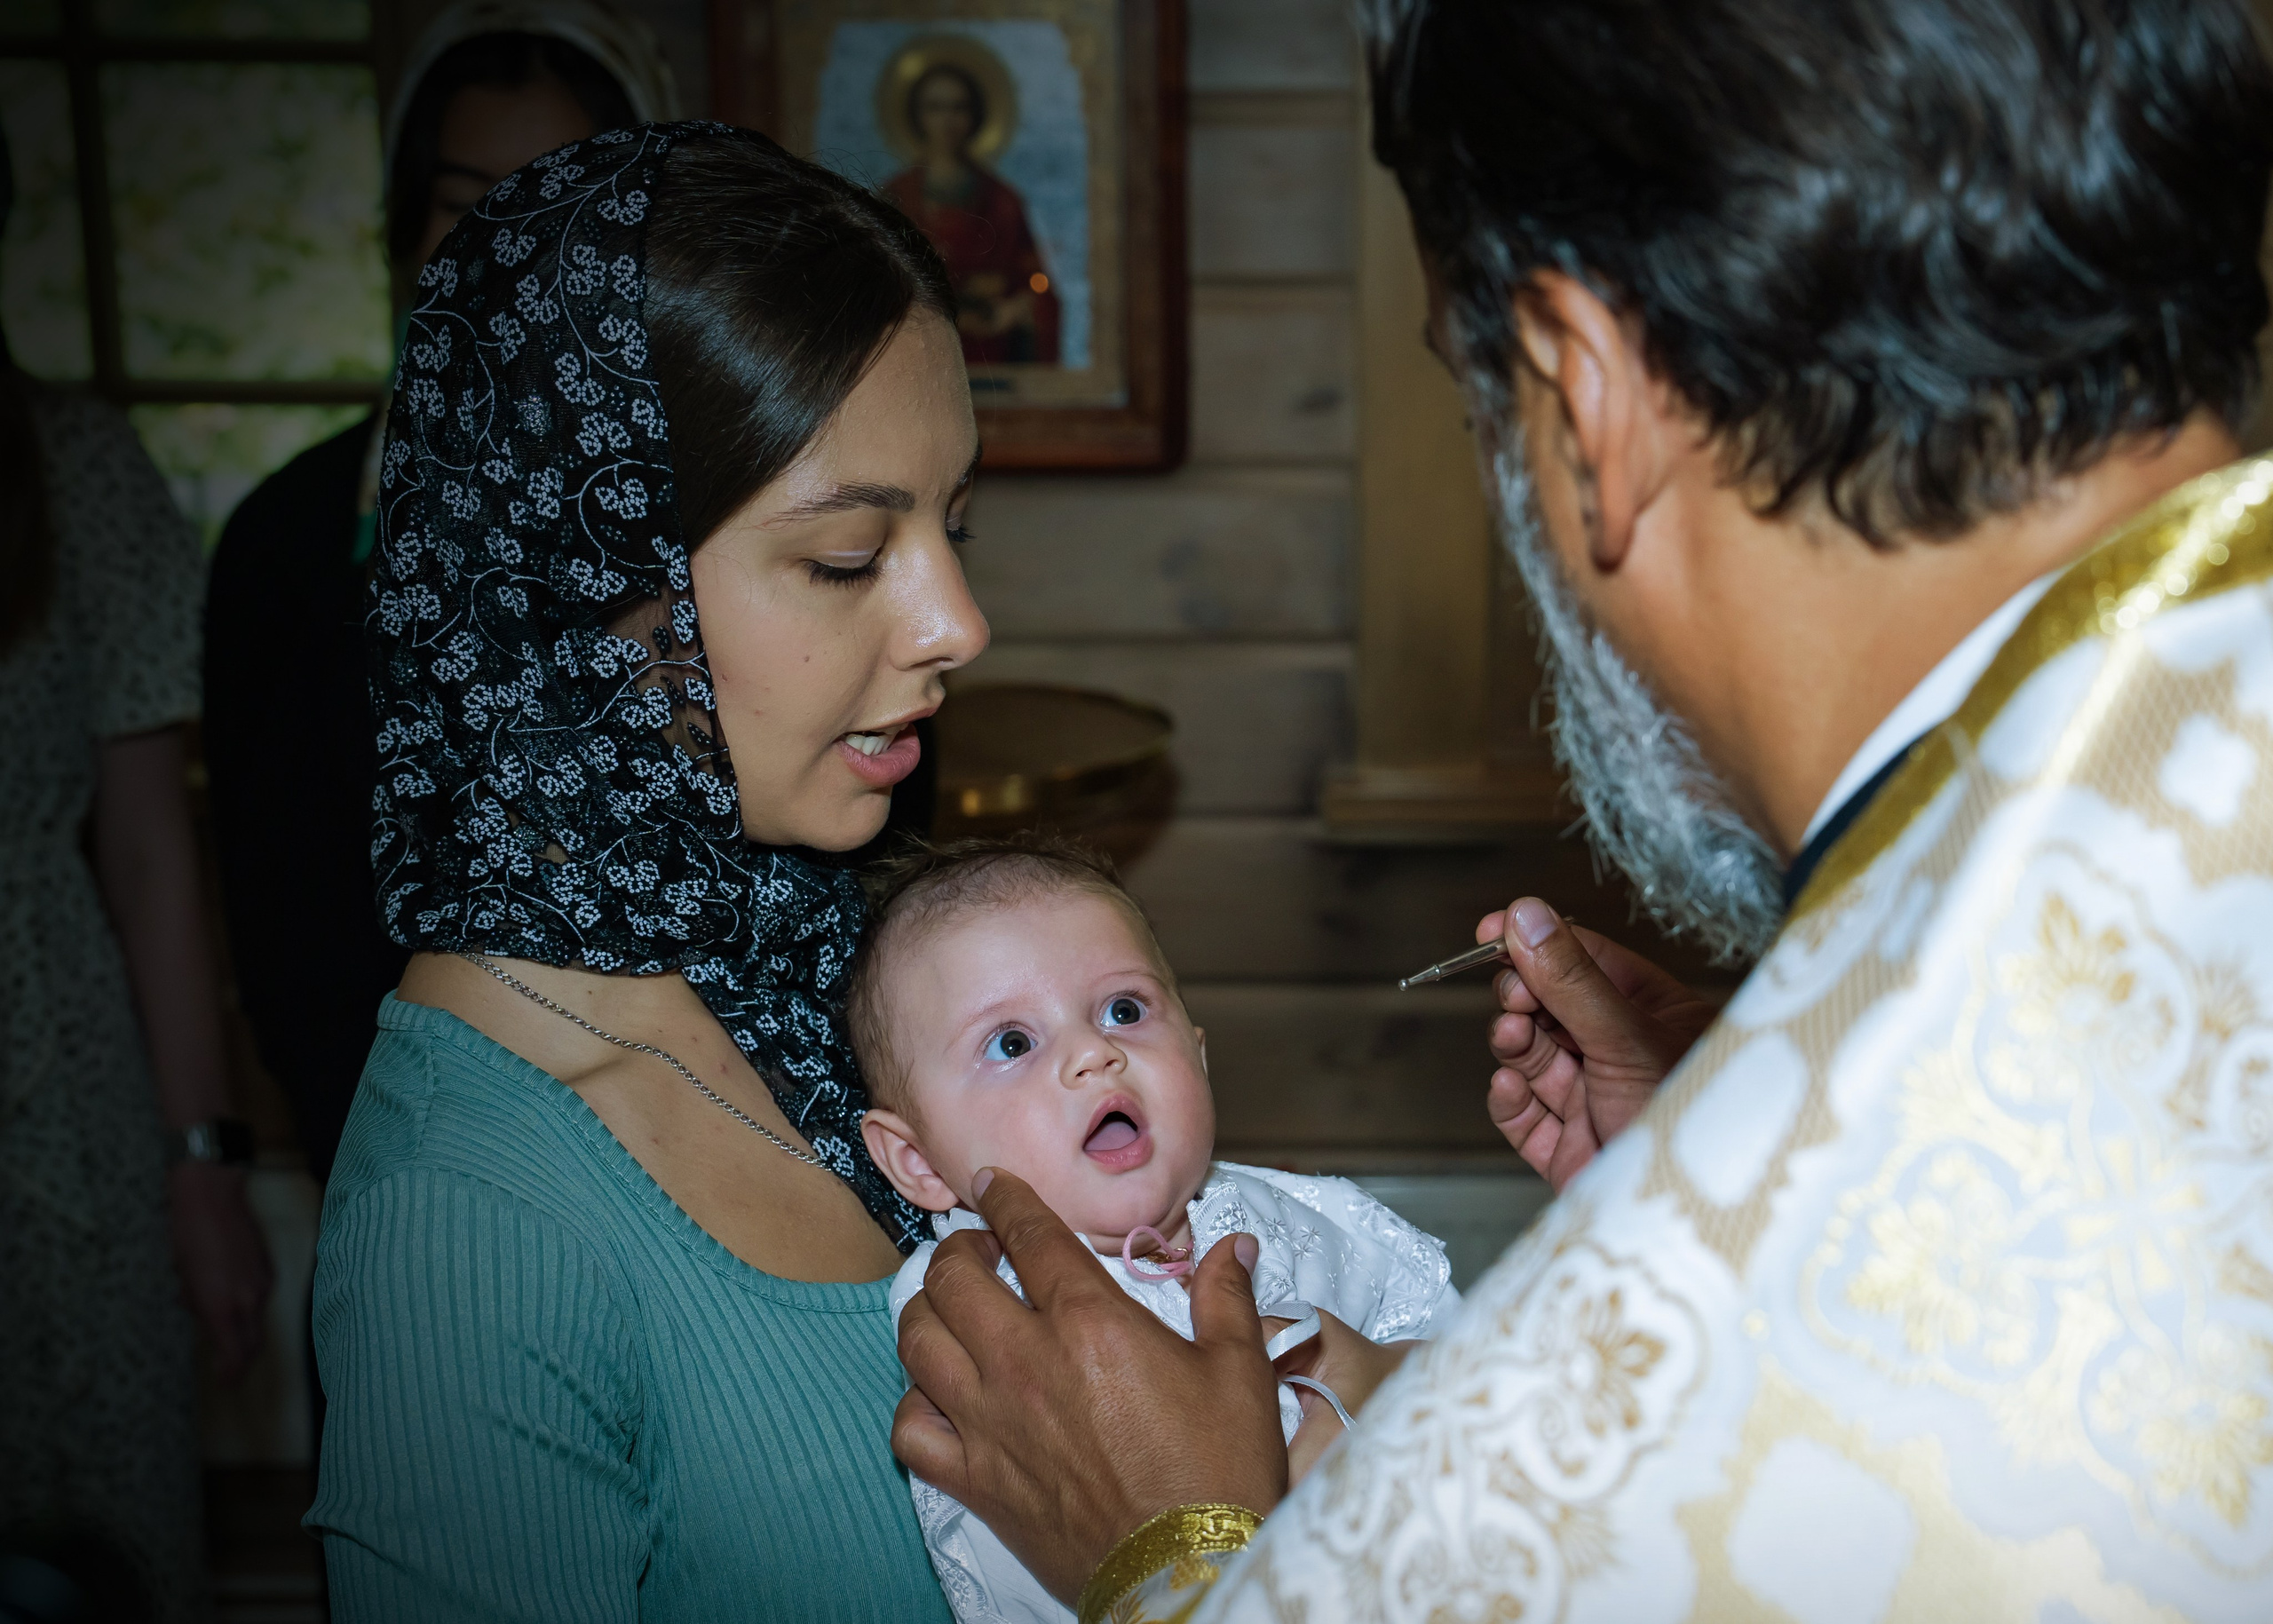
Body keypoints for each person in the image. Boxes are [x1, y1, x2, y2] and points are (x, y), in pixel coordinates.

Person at [886, 1, 2273, 1620]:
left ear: (1581, 392)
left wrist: (1180, 1552)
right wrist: (1742, 1097)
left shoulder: (1865, 1187)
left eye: (1493, 419)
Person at [305, 123, 991, 1619]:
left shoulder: (795, 948)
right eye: (844, 556)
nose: (959, 622)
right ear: (581, 583)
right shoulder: (470, 1222)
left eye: (954, 525)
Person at [202, 3, 668, 1192]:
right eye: (466, 200)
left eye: (560, 193)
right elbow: (266, 887)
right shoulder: (290, 537)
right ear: (407, 231)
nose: (509, 239)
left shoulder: (710, 518)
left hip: (680, 1136)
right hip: (387, 1133)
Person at [850, 836, 1458, 1621]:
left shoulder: (1304, 1216)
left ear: (1198, 1059)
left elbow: (1477, 1363)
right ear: (918, 1160)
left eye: (1124, 1010)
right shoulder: (974, 1314)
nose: (1095, 1053)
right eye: (1011, 1043)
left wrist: (1388, 1384)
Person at [0, 132, 273, 1617]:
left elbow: (153, 842)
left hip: (65, 1068)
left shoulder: (72, 468)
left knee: (101, 1527)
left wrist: (201, 1164)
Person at [883, 61, 1062, 366]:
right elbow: (881, 291)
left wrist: (1017, 308)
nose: (947, 120)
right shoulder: (896, 199)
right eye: (935, 108)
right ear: (918, 115)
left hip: (990, 353)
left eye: (958, 108)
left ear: (975, 115)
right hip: (920, 355)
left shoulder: (1003, 201)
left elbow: (1035, 284)